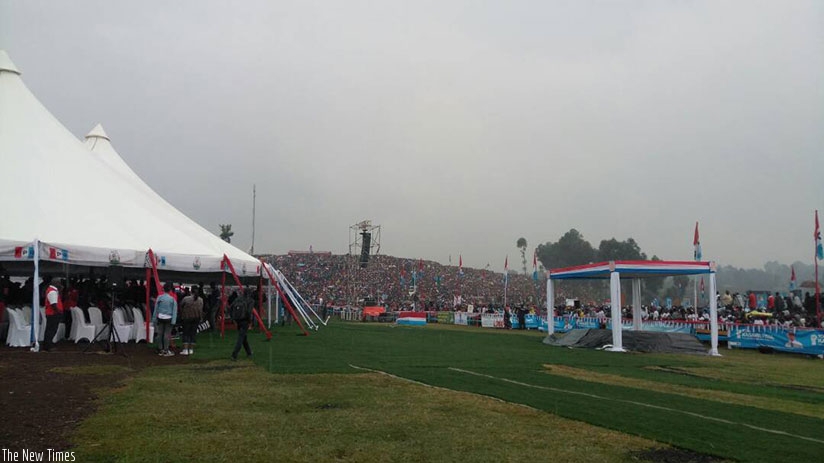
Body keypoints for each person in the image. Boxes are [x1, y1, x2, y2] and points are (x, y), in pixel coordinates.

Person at [152, 282, 178, 356]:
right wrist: (174, 320)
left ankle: (160, 349)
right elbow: (174, 310)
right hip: (169, 318)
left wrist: (154, 318)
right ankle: (166, 350)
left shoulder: (159, 298)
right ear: (170, 290)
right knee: (167, 334)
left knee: (160, 333)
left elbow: (156, 309)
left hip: (160, 317)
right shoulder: (172, 299)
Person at [179, 286, 203, 356]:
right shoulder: (201, 300)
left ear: (191, 291)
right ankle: (191, 350)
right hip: (197, 318)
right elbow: (201, 310)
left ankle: (185, 350)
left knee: (186, 333)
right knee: (193, 333)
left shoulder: (186, 299)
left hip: (187, 317)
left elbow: (181, 305)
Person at [41, 277, 64, 352]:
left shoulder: (53, 291)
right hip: (53, 313)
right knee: (51, 330)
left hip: (52, 313)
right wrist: (58, 312)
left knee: (50, 329)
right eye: (59, 283)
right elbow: (53, 304)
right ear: (56, 283)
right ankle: (48, 345)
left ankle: (47, 344)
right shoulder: (52, 292)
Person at [230, 290, 253, 360]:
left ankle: (249, 352)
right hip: (245, 320)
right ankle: (234, 354)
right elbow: (249, 312)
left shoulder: (238, 299)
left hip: (238, 320)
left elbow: (231, 307)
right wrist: (250, 321)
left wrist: (233, 318)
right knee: (241, 338)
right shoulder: (251, 301)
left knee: (243, 337)